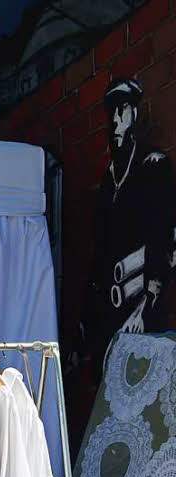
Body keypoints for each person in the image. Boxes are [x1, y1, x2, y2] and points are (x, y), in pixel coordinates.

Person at [84, 77, 176, 374]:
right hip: (112, 315)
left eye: (122, 110)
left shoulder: (153, 165)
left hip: (144, 311)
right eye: (110, 112)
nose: (114, 121)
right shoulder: (108, 184)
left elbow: (164, 241)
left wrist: (145, 304)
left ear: (134, 114)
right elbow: (99, 257)